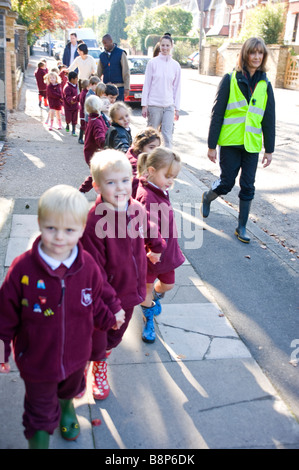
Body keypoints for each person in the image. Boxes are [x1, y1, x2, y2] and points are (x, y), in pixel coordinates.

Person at [0, 184, 125, 448]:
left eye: (69, 230)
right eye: (51, 228)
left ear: (81, 230)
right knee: (39, 414)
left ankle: (66, 407)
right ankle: (40, 439)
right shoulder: (23, 269)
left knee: (70, 387)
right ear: (40, 223)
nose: (59, 237)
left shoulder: (87, 264)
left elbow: (96, 296)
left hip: (76, 354)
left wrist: (110, 316)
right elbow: (5, 311)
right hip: (36, 360)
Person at [81, 150, 147, 400]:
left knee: (115, 336)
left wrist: (156, 245)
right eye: (111, 182)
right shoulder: (93, 221)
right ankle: (92, 363)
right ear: (97, 186)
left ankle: (101, 358)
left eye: (125, 180)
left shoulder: (136, 208)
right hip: (104, 298)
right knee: (97, 335)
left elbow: (146, 229)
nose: (120, 188)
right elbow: (93, 270)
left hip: (131, 290)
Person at [202, 37, 275, 243]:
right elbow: (217, 113)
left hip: (251, 144)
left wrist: (269, 149)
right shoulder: (230, 79)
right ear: (245, 54)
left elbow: (269, 119)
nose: (257, 57)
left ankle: (241, 227)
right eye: (253, 53)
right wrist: (211, 145)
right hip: (230, 142)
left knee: (248, 185)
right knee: (227, 182)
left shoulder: (265, 84)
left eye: (260, 53)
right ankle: (208, 196)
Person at [135, 147, 185, 343]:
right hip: (152, 254)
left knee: (168, 284)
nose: (171, 180)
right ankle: (148, 318)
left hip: (166, 252)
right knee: (146, 288)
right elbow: (146, 227)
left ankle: (150, 300)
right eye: (168, 175)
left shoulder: (159, 188)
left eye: (174, 176)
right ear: (152, 170)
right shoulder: (147, 196)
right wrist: (152, 250)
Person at [141, 33, 181, 149]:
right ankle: (149, 159)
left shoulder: (175, 65)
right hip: (154, 105)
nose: (165, 48)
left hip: (169, 105)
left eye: (167, 45)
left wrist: (176, 108)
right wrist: (144, 105)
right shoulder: (153, 63)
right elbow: (147, 84)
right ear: (159, 46)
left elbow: (177, 88)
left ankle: (167, 162)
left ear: (171, 46)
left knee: (167, 135)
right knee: (151, 136)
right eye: (163, 45)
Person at [79, 95, 108, 193]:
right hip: (94, 154)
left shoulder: (95, 118)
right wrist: (107, 144)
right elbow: (100, 139)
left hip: (91, 152)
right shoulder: (96, 121)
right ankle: (81, 191)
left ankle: (101, 192)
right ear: (98, 107)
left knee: (101, 174)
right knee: (97, 174)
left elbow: (104, 130)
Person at [126, 127, 161, 198]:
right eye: (151, 147)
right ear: (140, 147)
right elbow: (135, 190)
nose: (155, 151)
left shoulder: (138, 154)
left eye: (157, 147)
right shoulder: (136, 165)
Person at [97, 34, 130, 102]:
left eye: (106, 43)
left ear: (111, 41)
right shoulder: (102, 56)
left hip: (119, 87)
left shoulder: (121, 53)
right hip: (106, 88)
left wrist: (127, 87)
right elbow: (98, 73)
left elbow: (126, 71)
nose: (104, 45)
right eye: (103, 43)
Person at [63, 71, 79, 136]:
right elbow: (68, 98)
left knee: (75, 119)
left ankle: (73, 131)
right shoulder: (67, 87)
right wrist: (72, 101)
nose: (77, 80)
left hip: (75, 106)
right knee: (68, 118)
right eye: (76, 78)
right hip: (68, 107)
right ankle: (67, 124)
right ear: (72, 79)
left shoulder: (76, 85)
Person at [78, 79, 89, 144]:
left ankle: (83, 138)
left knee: (84, 126)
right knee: (83, 126)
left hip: (82, 111)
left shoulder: (82, 92)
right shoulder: (85, 93)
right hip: (83, 112)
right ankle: (80, 138)